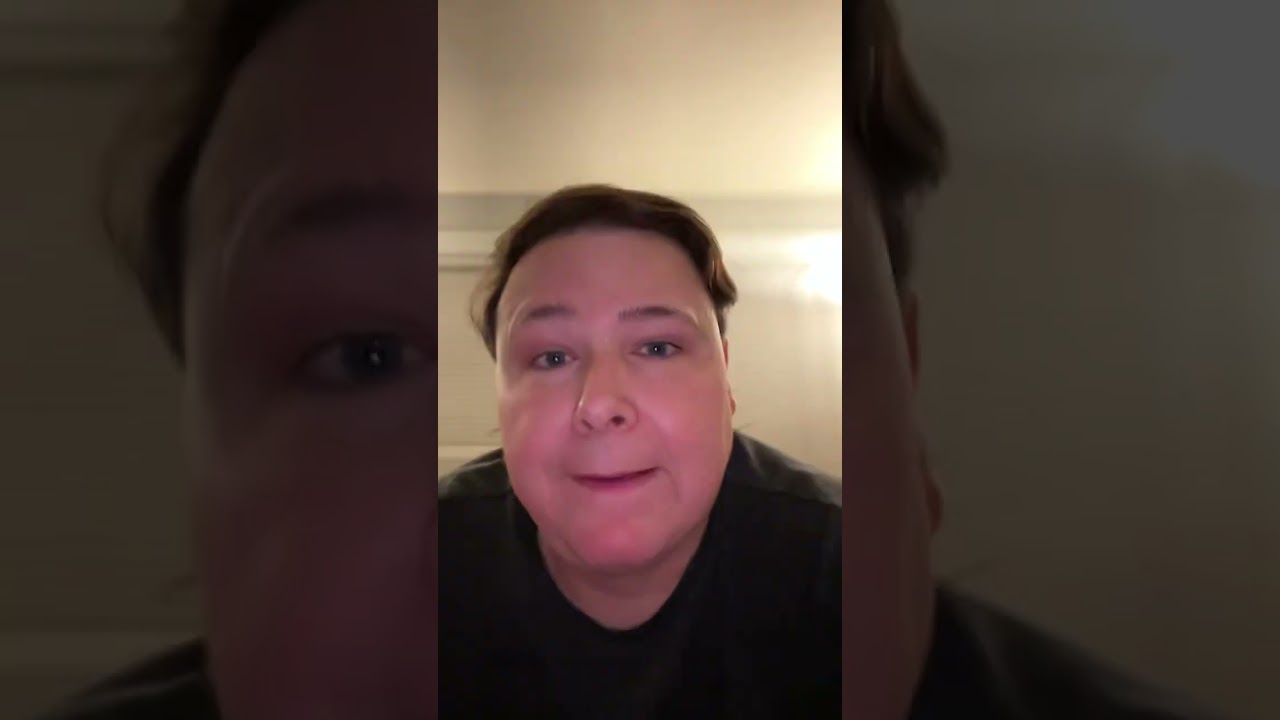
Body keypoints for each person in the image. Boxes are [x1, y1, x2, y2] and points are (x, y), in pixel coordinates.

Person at [39, 0, 1228, 718]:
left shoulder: (824, 555)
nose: (600, 404)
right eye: (364, 356)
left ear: (907, 425)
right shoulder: (445, 543)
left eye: (656, 344)